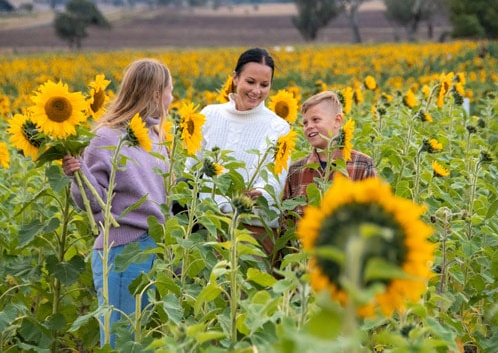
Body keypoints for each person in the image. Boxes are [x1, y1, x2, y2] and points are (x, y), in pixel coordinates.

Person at [62, 58, 173, 347]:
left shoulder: (154, 137)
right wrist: (78, 174)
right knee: (120, 340)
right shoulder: (106, 136)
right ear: (156, 94)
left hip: (155, 247)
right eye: (170, 91)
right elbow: (92, 202)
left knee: (144, 339)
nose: (173, 99)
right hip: (123, 250)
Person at [184, 47, 290, 257]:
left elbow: (275, 180)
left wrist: (259, 195)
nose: (256, 91)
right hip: (210, 227)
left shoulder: (278, 127)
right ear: (235, 78)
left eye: (264, 85)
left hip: (255, 230)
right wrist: (221, 205)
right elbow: (192, 170)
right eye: (250, 82)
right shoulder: (209, 115)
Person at [283, 90, 376, 217]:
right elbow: (286, 221)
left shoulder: (362, 165)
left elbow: (372, 215)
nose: (308, 126)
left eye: (316, 119)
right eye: (305, 123)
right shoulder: (297, 170)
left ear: (337, 121)